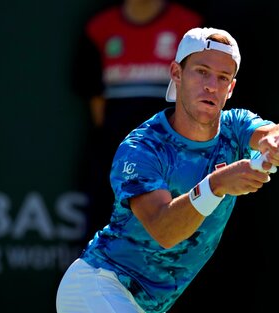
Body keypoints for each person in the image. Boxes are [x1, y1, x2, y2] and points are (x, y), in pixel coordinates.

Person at [57, 27, 279, 313]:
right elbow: (165, 230)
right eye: (202, 71)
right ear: (176, 73)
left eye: (223, 78)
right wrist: (216, 184)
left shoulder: (235, 127)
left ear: (231, 88)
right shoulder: (143, 148)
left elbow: (272, 131)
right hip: (97, 286)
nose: (212, 85)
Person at [73, 0, 204, 237]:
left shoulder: (191, 29)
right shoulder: (99, 28)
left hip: (176, 159)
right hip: (114, 159)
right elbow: (95, 100)